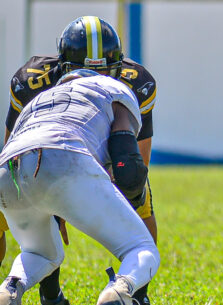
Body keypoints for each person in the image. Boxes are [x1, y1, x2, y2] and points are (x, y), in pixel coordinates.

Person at [6, 16, 159, 305]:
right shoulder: (118, 88)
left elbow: (12, 145)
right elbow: (131, 171)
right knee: (142, 244)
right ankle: (124, 292)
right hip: (69, 157)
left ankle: (11, 287)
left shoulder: (38, 93)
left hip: (12, 168)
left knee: (40, 251)